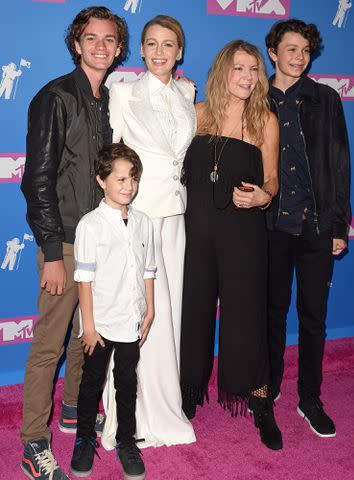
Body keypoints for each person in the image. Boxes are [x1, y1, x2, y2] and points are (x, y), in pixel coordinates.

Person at [20, 7, 127, 479]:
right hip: (63, 243)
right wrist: (50, 252)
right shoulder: (55, 97)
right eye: (91, 38)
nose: (100, 46)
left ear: (119, 48)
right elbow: (37, 181)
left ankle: (72, 412)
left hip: (100, 242)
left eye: (109, 39)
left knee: (91, 337)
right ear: (76, 43)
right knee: (48, 347)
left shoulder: (110, 101)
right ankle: (31, 445)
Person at [180, 39, 282, 451]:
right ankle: (187, 392)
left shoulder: (265, 121)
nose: (246, 77)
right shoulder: (198, 114)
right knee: (194, 314)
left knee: (247, 315)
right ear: (223, 71)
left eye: (254, 69)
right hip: (196, 232)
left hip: (243, 233)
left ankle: (260, 403)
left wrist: (263, 196)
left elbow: (273, 179)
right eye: (239, 68)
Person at [101, 15, 196, 449]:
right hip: (137, 215)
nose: (160, 52)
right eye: (152, 43)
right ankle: (129, 411)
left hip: (175, 217)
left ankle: (163, 406)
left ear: (180, 51)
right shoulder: (122, 92)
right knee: (135, 312)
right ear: (140, 49)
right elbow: (113, 154)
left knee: (167, 316)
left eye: (169, 44)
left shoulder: (188, 91)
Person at [265, 19, 350, 438]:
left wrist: (339, 223)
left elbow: (339, 163)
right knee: (272, 313)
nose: (298, 58)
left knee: (313, 316)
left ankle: (309, 398)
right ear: (272, 53)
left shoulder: (326, 99)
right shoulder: (253, 97)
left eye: (305, 51)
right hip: (270, 226)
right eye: (290, 49)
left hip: (316, 224)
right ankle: (270, 385)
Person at [70, 143, 155, 479]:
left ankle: (126, 441)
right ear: (101, 180)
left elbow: (148, 269)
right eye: (119, 179)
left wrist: (149, 309)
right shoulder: (90, 225)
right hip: (101, 323)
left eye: (132, 178)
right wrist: (88, 326)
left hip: (132, 320)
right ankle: (84, 439)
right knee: (91, 384)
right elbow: (84, 280)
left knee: (126, 383)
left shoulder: (143, 222)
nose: (127, 186)